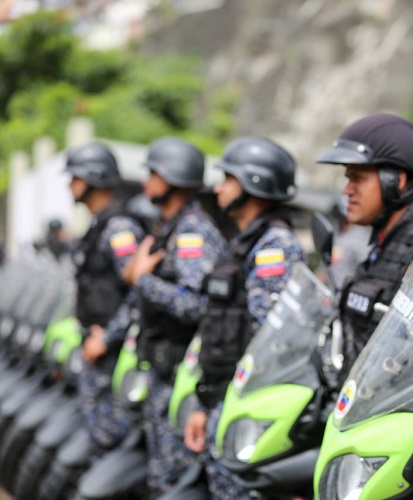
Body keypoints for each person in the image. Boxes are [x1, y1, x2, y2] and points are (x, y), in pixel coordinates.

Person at [182, 136, 307, 499]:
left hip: (248, 411)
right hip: (224, 400)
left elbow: (267, 343)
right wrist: (204, 404)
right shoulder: (242, 243)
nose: (218, 188)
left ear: (255, 182)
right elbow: (221, 329)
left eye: (228, 178)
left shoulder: (275, 246)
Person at [124, 137, 228, 496]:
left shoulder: (192, 231)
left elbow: (198, 304)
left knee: (174, 481)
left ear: (173, 177)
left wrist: (143, 280)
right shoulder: (171, 227)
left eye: (153, 173)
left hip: (182, 377)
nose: (146, 181)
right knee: (160, 478)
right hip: (162, 368)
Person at [316, 113, 413, 383]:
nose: (347, 191)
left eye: (357, 179)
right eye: (347, 179)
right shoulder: (382, 245)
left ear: (395, 180)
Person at [64, 142, 147, 455]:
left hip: (113, 353)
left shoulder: (119, 228)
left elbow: (140, 290)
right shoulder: (99, 224)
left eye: (75, 177)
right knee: (96, 437)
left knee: (110, 439)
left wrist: (108, 337)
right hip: (95, 347)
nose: (69, 185)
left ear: (93, 178)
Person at [328, 194, 372, 289]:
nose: (340, 222)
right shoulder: (337, 232)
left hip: (346, 290)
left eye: (343, 219)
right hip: (331, 287)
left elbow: (364, 270)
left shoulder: (360, 237)